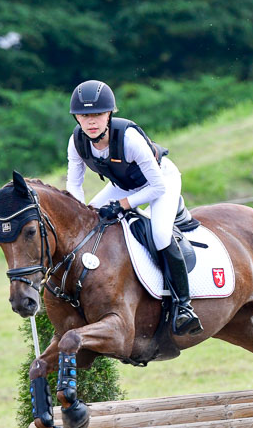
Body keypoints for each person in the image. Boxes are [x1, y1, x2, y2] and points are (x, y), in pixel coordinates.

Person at [66, 79, 203, 337]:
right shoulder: (76, 142)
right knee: (90, 216)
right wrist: (78, 217)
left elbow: (157, 187)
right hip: (125, 184)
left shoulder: (128, 138)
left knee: (161, 235)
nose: (91, 121)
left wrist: (122, 205)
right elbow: (74, 185)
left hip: (160, 180)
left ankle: (184, 306)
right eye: (85, 116)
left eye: (97, 114)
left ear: (109, 114)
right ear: (77, 118)